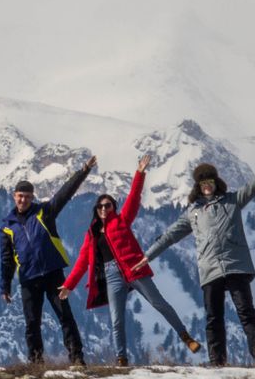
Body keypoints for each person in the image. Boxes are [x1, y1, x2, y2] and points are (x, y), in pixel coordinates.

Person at [134, 153, 255, 368]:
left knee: (246, 312)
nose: (207, 186)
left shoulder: (233, 201)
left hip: (236, 265)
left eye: (210, 182)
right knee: (213, 318)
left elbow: (253, 187)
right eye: (203, 183)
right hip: (210, 269)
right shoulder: (193, 212)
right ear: (198, 186)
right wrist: (148, 255)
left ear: (216, 183)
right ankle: (218, 362)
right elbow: (170, 235)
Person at [59, 153, 202, 365]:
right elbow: (82, 262)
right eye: (100, 206)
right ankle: (121, 359)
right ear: (96, 211)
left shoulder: (122, 221)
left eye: (108, 205)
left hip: (133, 268)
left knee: (158, 303)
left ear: (114, 208)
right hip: (111, 274)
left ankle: (185, 337)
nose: (104, 209)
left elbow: (134, 198)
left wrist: (140, 173)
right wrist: (69, 285)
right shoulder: (91, 235)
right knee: (116, 320)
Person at [0, 156, 96, 366]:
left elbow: (65, 193)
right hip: (28, 279)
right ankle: (36, 362)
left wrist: (84, 170)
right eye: (19, 196)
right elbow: (6, 259)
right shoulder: (7, 226)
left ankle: (77, 358)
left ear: (32, 197)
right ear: (13, 197)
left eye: (26, 196)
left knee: (65, 316)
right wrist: (5, 286)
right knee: (32, 323)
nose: (23, 200)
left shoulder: (44, 211)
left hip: (53, 273)